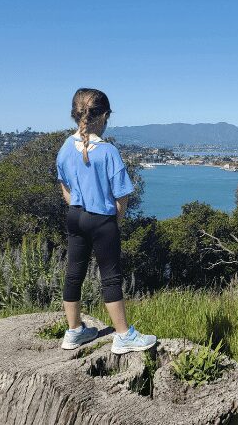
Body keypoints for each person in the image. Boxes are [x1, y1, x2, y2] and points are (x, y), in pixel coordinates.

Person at [56, 88, 156, 354]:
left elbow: (64, 187)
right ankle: (123, 336)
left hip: (75, 216)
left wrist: (78, 208)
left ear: (75, 114)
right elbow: (121, 198)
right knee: (110, 277)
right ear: (105, 116)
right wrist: (112, 223)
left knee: (73, 273)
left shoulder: (66, 147)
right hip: (102, 220)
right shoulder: (109, 152)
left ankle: (74, 331)